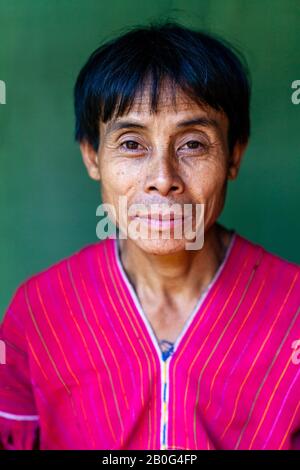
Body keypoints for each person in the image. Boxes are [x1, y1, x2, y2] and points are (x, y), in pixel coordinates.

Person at [0, 22, 299, 451]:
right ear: (92, 156)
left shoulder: (294, 311)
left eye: (193, 144)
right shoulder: (40, 314)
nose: (163, 179)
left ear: (234, 154)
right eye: (131, 144)